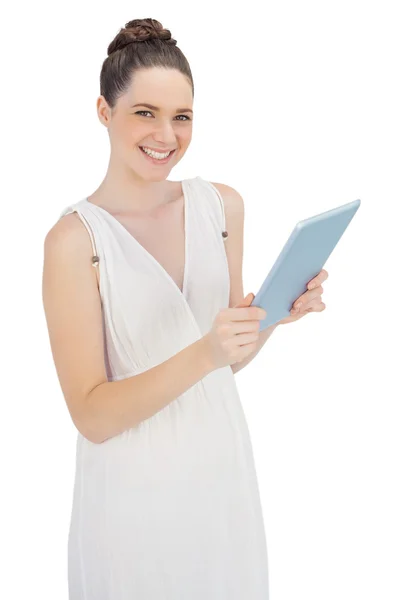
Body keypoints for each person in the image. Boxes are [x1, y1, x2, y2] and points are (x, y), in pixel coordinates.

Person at [42, 17, 327, 600]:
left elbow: (227, 359)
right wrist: (207, 352)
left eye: (182, 116)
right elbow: (92, 415)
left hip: (222, 478)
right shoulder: (75, 241)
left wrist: (275, 316)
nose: (165, 135)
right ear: (104, 112)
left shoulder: (221, 207)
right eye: (144, 112)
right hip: (130, 501)